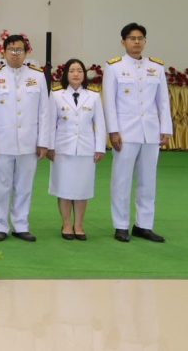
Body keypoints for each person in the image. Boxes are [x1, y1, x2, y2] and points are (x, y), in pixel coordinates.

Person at [103, 22, 172, 243]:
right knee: (121, 180)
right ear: (123, 41)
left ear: (145, 41)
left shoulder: (156, 67)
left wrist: (165, 129)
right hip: (126, 132)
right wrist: (113, 131)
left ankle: (144, 225)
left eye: (140, 38)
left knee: (148, 181)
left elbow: (163, 101)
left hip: (150, 132)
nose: (136, 42)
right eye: (132, 38)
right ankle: (121, 225)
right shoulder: (114, 66)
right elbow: (109, 102)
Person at [0, 35, 51, 242]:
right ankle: (0, 225)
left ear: (26, 52)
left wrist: (43, 141)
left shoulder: (37, 76)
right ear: (3, 52)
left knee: (24, 185)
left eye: (19, 50)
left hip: (29, 141)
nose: (15, 54)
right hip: (3, 142)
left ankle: (21, 225)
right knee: (1, 185)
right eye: (11, 50)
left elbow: (44, 112)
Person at [47, 58, 106, 241]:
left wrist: (100, 148)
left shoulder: (93, 96)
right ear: (66, 74)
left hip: (86, 149)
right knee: (64, 187)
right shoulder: (56, 95)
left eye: (79, 71)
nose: (76, 74)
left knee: (82, 188)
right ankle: (66, 224)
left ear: (84, 74)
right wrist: (50, 147)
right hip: (62, 149)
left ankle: (79, 225)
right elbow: (50, 124)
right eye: (72, 70)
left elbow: (100, 124)